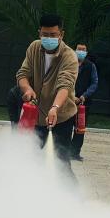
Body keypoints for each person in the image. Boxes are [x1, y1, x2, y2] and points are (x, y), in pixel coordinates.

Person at [16, 14, 79, 173]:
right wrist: (27, 89)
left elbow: (65, 85)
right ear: (39, 33)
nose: (48, 38)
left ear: (61, 34)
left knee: (61, 163)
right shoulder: (34, 48)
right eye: (45, 34)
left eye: (53, 35)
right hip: (36, 116)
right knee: (31, 160)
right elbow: (22, 74)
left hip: (61, 118)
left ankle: (69, 189)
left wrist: (55, 108)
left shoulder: (69, 56)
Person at [70, 43, 99, 162]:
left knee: (80, 129)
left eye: (83, 50)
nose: (81, 52)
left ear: (86, 52)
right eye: (79, 49)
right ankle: (63, 151)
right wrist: (71, 96)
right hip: (68, 101)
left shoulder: (91, 66)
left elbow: (94, 83)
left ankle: (75, 153)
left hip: (83, 103)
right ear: (75, 50)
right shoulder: (69, 63)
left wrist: (83, 96)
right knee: (66, 127)